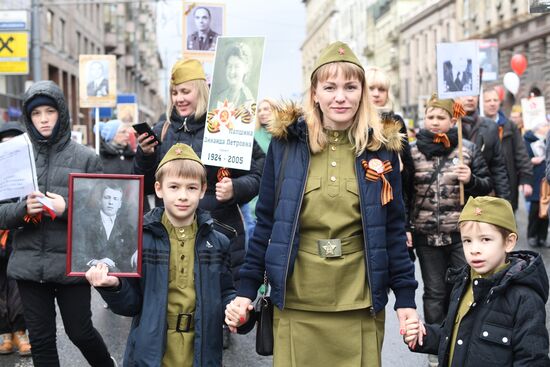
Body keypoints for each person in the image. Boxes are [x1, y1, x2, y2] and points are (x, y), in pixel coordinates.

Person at [225, 41, 419, 367]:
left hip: (358, 303)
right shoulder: (286, 146)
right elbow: (267, 223)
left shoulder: (381, 149)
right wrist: (246, 291)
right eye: (329, 87)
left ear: (363, 92)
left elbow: (393, 229)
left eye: (350, 87)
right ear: (315, 93)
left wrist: (406, 300)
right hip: (298, 302)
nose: (340, 97)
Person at [133, 59, 265, 347]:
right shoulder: (162, 131)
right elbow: (143, 185)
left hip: (217, 231)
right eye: (175, 92)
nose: (179, 99)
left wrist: (236, 188)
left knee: (213, 322)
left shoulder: (225, 124)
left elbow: (261, 170)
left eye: (185, 91)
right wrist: (143, 155)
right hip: (170, 233)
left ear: (201, 91)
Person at [86, 143, 253, 366]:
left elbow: (225, 293)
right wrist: (112, 287)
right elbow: (132, 304)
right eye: (174, 187)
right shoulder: (141, 239)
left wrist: (237, 310)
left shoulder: (217, 241)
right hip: (152, 353)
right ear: (158, 188)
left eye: (191, 188)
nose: (183, 196)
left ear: (203, 190)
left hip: (201, 353)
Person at [0, 81, 116, 366]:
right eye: (36, 113)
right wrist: (23, 210)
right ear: (28, 117)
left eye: (49, 111)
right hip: (29, 265)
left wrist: (67, 208)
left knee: (80, 332)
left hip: (70, 264)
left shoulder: (87, 158)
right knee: (41, 341)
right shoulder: (14, 156)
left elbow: (102, 217)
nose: (43, 118)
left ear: (61, 113)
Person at [404, 196, 550, 366]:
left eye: (486, 239)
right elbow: (455, 337)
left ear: (509, 242)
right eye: (467, 240)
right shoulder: (463, 283)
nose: (474, 250)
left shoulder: (524, 298)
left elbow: (533, 360)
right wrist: (424, 335)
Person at [409, 94, 492, 366]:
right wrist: (406, 227)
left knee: (463, 287)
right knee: (434, 292)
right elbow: (405, 192)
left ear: (452, 120)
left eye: (441, 117)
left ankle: (463, 342)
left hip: (461, 235)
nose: (435, 122)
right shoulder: (411, 151)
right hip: (426, 234)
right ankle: (435, 348)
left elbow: (486, 188)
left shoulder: (466, 150)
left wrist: (471, 179)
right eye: (430, 117)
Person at [365, 66, 415, 252]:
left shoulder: (396, 121)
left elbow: (409, 178)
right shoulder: (354, 122)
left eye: (382, 89)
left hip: (393, 204)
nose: (377, 94)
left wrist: (400, 165)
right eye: (371, 88)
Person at [0, 122, 31, 357]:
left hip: (20, 235)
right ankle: (4, 333)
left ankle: (20, 331)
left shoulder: (29, 170)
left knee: (17, 285)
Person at [483, 87, 533, 211]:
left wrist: (526, 178)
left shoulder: (509, 126)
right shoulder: (478, 126)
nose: (492, 103)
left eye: (495, 100)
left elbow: (520, 152)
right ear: (482, 103)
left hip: (508, 181)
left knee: (507, 221)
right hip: (484, 182)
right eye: (488, 100)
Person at [73, 183, 137, 273]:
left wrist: (137, 252)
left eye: (115, 199)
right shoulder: (84, 222)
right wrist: (96, 262)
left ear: (119, 204)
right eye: (107, 198)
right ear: (100, 200)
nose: (111, 202)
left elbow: (130, 254)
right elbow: (77, 256)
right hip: (87, 275)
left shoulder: (126, 227)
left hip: (117, 279)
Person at [458, 94, 511, 201]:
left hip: (482, 197)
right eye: (465, 94)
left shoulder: (490, 126)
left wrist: (503, 200)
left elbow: (498, 167)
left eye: (474, 95)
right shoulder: (447, 126)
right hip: (454, 200)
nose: (470, 98)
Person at [525, 121, 550, 248]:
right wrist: (531, 161)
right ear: (539, 128)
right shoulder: (527, 140)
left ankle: (542, 237)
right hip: (534, 179)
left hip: (545, 180)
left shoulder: (547, 140)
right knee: (534, 210)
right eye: (546, 125)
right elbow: (523, 160)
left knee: (545, 209)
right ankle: (532, 235)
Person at [212, 43, 255, 108]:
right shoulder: (220, 97)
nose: (232, 72)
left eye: (237, 66)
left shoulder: (249, 101)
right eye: (229, 66)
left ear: (246, 68)